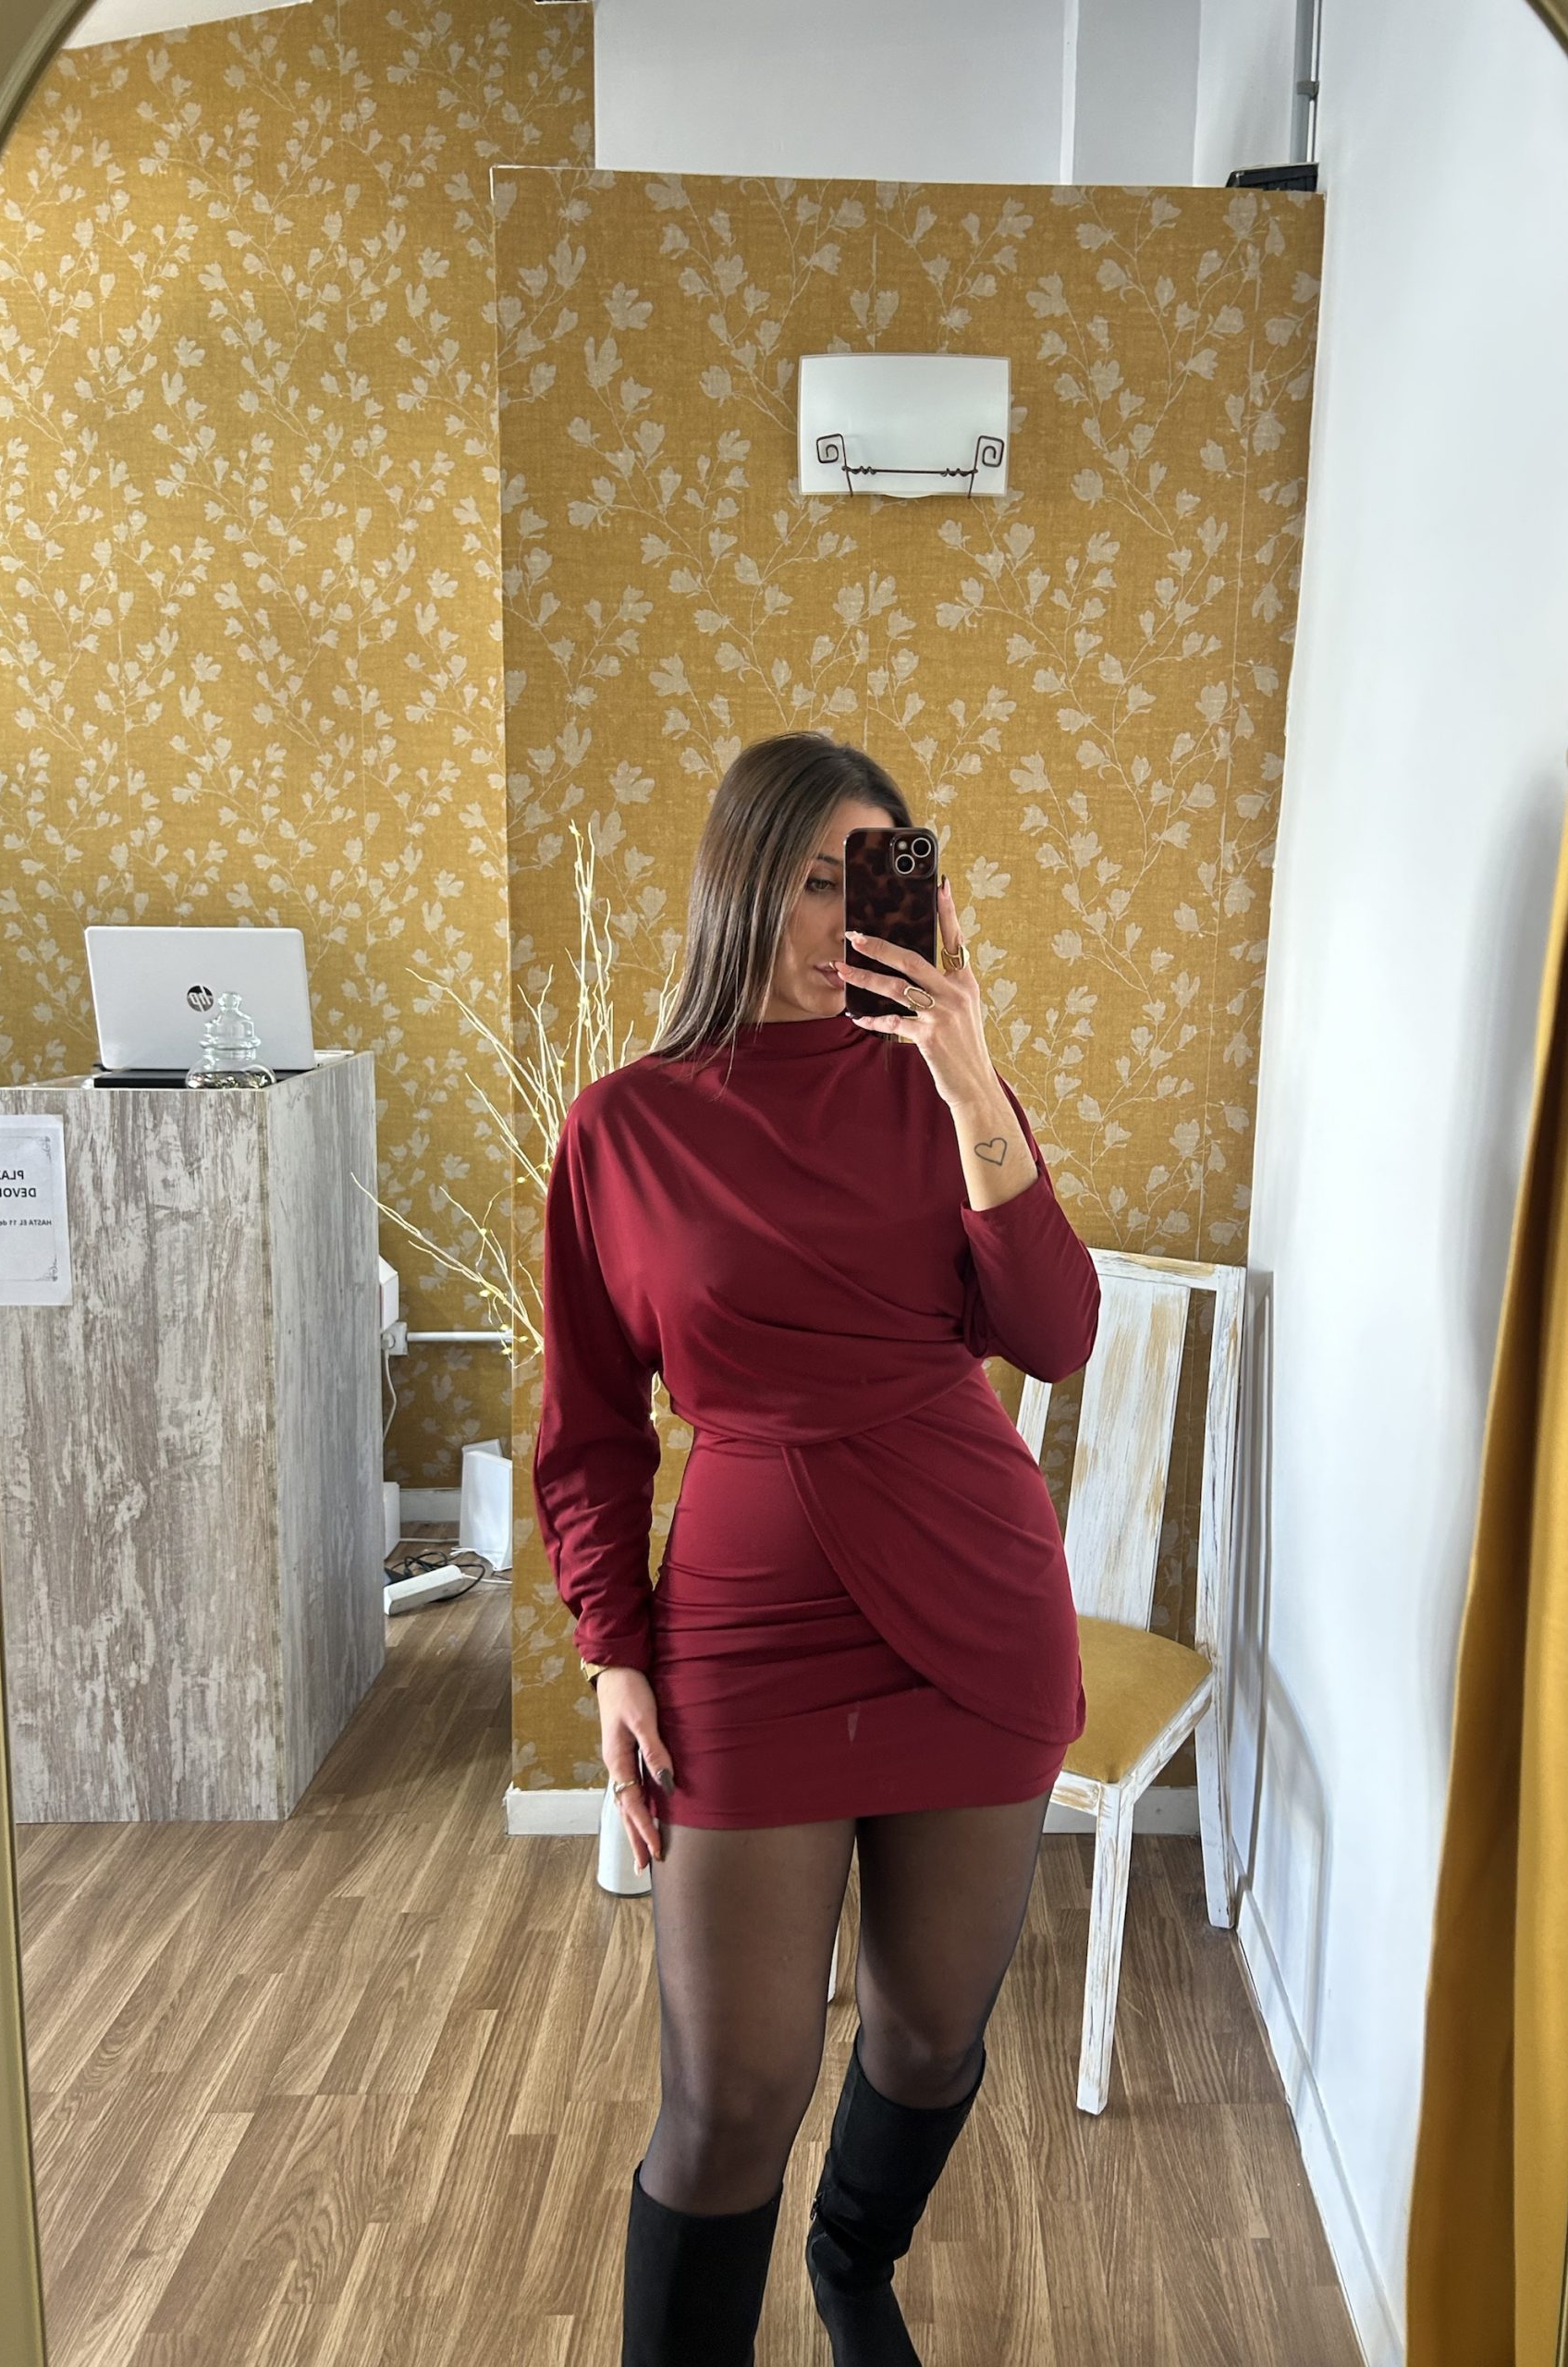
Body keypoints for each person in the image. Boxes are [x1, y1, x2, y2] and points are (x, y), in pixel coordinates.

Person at [533, 730, 1100, 2365]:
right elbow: (590, 1425)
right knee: (731, 2093)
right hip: (746, 1625)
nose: (843, 918)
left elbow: (1055, 1333)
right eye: (806, 880)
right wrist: (612, 1651)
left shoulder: (941, 1095)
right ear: (738, 888)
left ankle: (854, 2269)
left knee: (925, 2039)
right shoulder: (623, 1129)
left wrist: (974, 1078)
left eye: (872, 881)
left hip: (975, 1601)